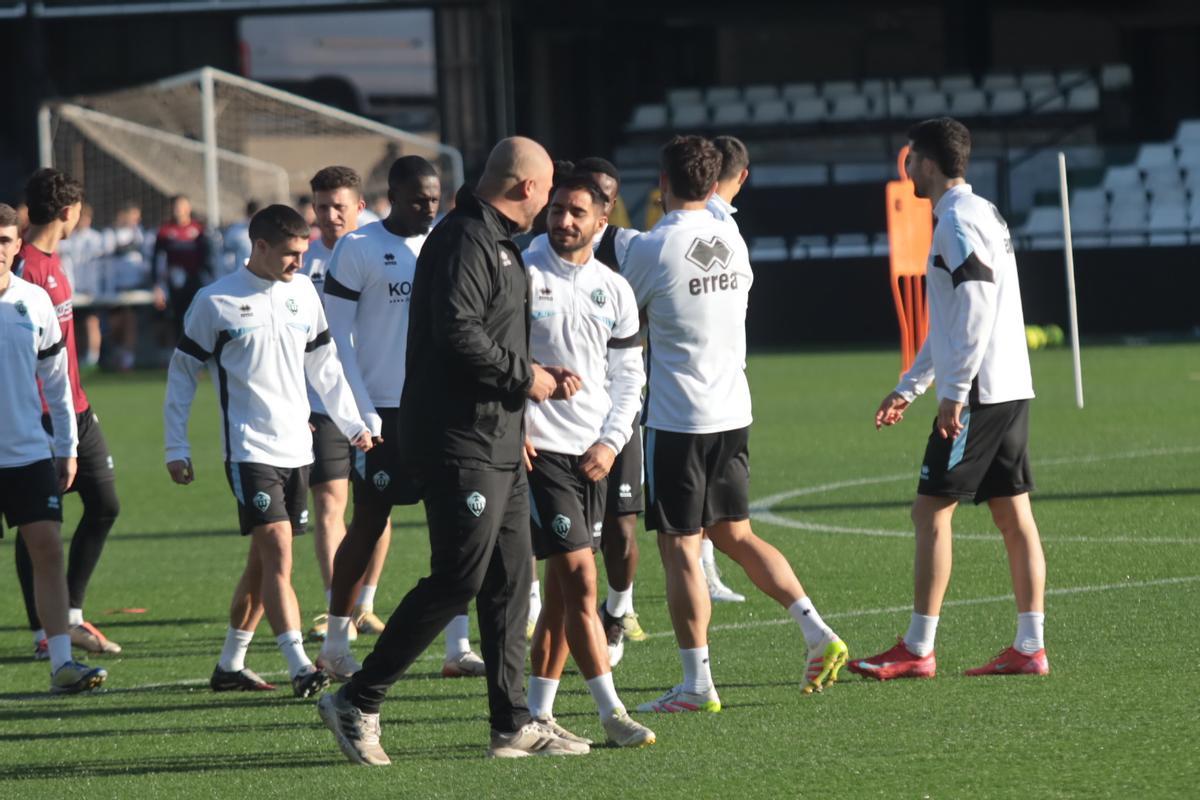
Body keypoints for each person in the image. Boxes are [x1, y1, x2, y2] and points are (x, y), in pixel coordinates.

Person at [319, 136, 587, 765]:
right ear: (526, 188)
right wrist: (526, 378)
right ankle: (357, 698)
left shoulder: (493, 242)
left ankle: (513, 723)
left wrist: (528, 374)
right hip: (457, 438)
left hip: (498, 438)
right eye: (548, 189)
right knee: (459, 577)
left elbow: (480, 334)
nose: (549, 202)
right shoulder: (467, 238)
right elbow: (457, 331)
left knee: (510, 582)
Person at [621, 136, 848, 713]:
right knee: (736, 534)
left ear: (663, 182)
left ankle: (697, 684)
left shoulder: (654, 248)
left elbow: (623, 319)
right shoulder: (732, 238)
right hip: (733, 410)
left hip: (678, 419)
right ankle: (816, 629)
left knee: (679, 546)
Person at [850, 117, 1048, 681]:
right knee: (1014, 516)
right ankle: (1030, 646)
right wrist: (910, 387)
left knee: (930, 509)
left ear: (928, 163)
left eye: (911, 158)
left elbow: (977, 305)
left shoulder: (957, 222)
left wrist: (953, 394)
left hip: (980, 395)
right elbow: (954, 319)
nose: (907, 167)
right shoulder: (981, 211)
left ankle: (917, 649)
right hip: (1009, 386)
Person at [164, 204, 373, 698]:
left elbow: (325, 365)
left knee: (264, 560)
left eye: (303, 253)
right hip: (249, 450)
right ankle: (301, 664)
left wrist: (353, 425)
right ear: (259, 247)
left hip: (299, 448)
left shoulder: (303, 293)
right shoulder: (214, 301)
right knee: (278, 548)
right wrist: (177, 444)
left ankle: (230, 663)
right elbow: (181, 375)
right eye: (291, 254)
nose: (301, 263)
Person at [316, 157, 487, 681]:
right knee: (369, 522)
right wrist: (361, 408)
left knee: (453, 525)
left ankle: (457, 648)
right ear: (391, 195)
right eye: (417, 199)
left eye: (435, 200)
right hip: (384, 411)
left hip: (440, 407)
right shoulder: (359, 249)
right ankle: (336, 642)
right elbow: (336, 341)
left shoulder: (448, 244)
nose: (428, 208)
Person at [522, 173, 655, 747]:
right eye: (556, 209)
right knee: (580, 577)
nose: (563, 221)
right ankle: (611, 712)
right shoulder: (521, 275)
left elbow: (629, 378)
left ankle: (537, 714)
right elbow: (497, 360)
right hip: (538, 454)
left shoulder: (614, 289)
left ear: (602, 222)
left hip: (595, 454)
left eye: (577, 212)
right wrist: (511, 429)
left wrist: (610, 440)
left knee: (559, 594)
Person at [14, 169, 123, 660]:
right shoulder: (23, 268)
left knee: (104, 504)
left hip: (76, 406)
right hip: (39, 415)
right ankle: (45, 630)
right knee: (37, 523)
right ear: (68, 211)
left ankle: (71, 615)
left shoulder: (54, 261)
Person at [0, 202, 107, 693]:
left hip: (28, 452)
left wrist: (66, 447)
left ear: (17, 244)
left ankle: (61, 664)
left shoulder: (32, 302)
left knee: (46, 547)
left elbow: (58, 383)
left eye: (4, 241)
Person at [299, 166, 390, 645]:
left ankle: (367, 602)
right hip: (321, 402)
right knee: (329, 502)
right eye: (321, 207)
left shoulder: (383, 251)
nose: (330, 216)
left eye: (340, 206)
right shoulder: (303, 261)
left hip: (376, 395)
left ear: (360, 207)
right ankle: (339, 605)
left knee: (378, 502)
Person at [696, 135, 752, 604]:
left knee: (703, 507)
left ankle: (706, 573)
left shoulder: (710, 223)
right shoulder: (717, 227)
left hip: (712, 384)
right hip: (712, 384)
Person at [153, 194, 210, 339]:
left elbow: (207, 260)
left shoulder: (199, 230)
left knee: (196, 319)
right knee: (176, 321)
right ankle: (176, 355)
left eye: (182, 205)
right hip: (174, 283)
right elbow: (156, 260)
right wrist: (158, 285)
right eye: (176, 206)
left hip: (194, 282)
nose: (179, 209)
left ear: (189, 208)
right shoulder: (164, 231)